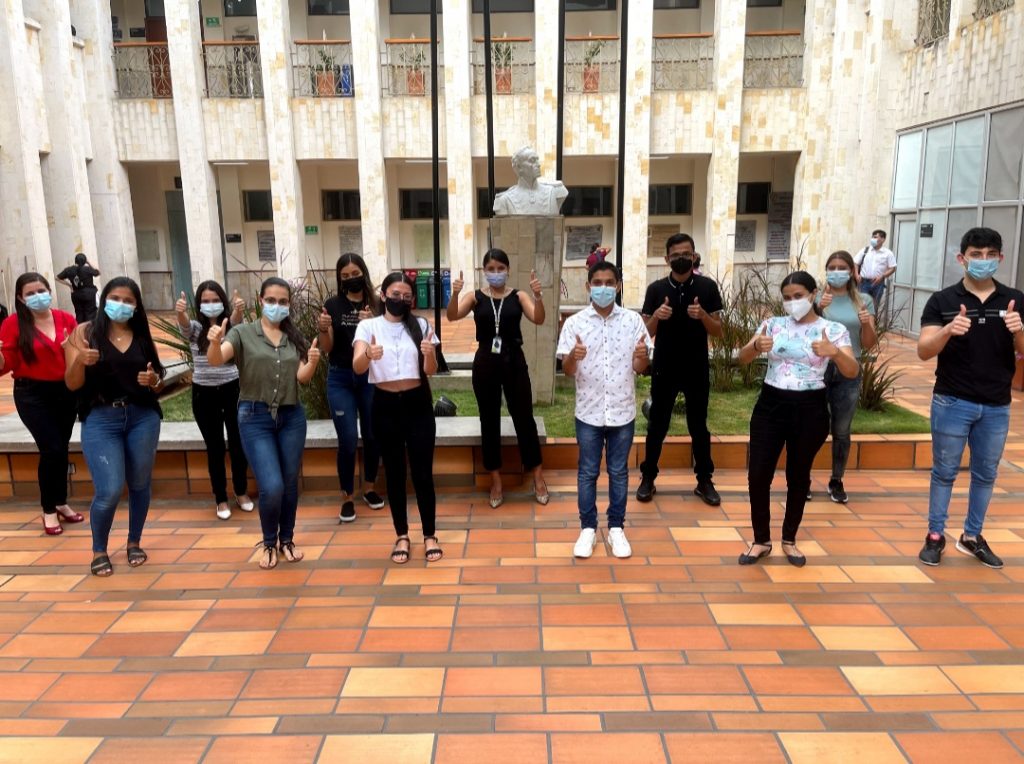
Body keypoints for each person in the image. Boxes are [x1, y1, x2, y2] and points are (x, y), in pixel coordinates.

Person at [917, 227, 1023, 569]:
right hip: (952, 400)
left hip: (996, 404)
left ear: (1000, 258)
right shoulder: (943, 301)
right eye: (976, 254)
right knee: (944, 471)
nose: (983, 260)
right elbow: (923, 350)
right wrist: (948, 330)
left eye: (990, 254)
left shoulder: (1014, 299)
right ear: (962, 258)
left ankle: (972, 536)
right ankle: (935, 535)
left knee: (986, 474)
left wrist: (1019, 330)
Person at [736, 271, 857, 567]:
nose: (793, 302)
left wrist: (834, 353)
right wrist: (755, 347)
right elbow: (742, 358)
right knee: (758, 474)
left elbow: (852, 370)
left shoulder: (832, 329)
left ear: (813, 294)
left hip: (810, 408)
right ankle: (761, 540)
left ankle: (789, 539)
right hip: (770, 405)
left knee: (798, 476)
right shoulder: (773, 324)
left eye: (799, 296)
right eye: (787, 298)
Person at [207, 277, 321, 570]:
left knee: (289, 483)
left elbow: (302, 378)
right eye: (271, 300)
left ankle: (287, 539)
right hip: (254, 417)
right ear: (260, 301)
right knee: (272, 485)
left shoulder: (294, 336)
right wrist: (215, 342)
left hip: (291, 417)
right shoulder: (242, 333)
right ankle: (269, 541)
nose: (276, 306)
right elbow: (217, 360)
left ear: (289, 305)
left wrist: (312, 362)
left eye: (283, 302)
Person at [64, 277, 164, 577]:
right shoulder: (85, 333)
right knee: (109, 489)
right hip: (101, 419)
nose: (121, 304)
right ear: (104, 298)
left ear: (136, 306)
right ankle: (99, 550)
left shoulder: (141, 335)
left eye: (128, 300)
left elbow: (158, 381)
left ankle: (134, 542)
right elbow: (72, 384)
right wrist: (80, 361)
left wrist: (153, 381)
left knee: (140, 484)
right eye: (115, 298)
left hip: (142, 417)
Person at [556, 261, 652, 560]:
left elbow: (640, 367)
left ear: (618, 286)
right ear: (588, 286)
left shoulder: (633, 321)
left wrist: (641, 357)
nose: (603, 288)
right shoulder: (575, 324)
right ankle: (587, 528)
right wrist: (573, 356)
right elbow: (568, 370)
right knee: (587, 472)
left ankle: (616, 528)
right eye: (597, 283)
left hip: (622, 411)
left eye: (609, 282)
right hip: (589, 412)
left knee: (619, 472)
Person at [446, 249, 548, 507]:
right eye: (491, 269)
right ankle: (496, 480)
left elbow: (538, 318)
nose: (496, 273)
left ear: (508, 270)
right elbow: (452, 315)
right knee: (488, 420)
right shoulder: (476, 297)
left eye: (500, 268)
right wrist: (455, 293)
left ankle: (537, 476)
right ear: (484, 271)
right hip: (486, 362)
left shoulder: (519, 296)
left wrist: (538, 296)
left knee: (524, 418)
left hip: (514, 360)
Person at [353, 272, 441, 565]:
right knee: (394, 472)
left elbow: (430, 371)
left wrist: (429, 354)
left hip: (418, 403)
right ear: (383, 295)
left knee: (422, 473)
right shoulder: (368, 326)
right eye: (395, 295)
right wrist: (368, 353)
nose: (400, 300)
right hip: (385, 405)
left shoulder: (421, 325)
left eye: (406, 296)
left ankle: (429, 535)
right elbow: (357, 367)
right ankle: (402, 535)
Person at [638, 233, 724, 506]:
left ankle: (704, 480)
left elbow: (719, 331)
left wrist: (703, 316)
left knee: (698, 425)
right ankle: (648, 477)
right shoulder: (656, 289)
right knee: (657, 424)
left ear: (694, 256)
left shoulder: (707, 287)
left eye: (686, 254)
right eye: (675, 255)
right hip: (664, 366)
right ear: (667, 259)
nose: (681, 259)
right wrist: (656, 317)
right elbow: (644, 333)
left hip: (696, 366)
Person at [0, 273, 82, 535]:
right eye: (30, 293)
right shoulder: (13, 324)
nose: (38, 296)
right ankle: (49, 509)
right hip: (32, 394)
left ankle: (60, 501)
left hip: (65, 391)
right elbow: (6, 364)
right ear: (21, 298)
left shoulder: (66, 319)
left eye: (41, 291)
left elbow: (79, 353)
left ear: (49, 291)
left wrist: (73, 350)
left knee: (61, 448)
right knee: (51, 449)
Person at [175, 281, 253, 521]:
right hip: (204, 394)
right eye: (205, 301)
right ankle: (221, 498)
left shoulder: (231, 326)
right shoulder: (196, 328)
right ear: (199, 304)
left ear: (223, 301)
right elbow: (185, 325)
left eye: (215, 300)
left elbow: (236, 321)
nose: (211, 305)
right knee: (215, 448)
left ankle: (241, 491)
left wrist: (238, 309)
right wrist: (181, 312)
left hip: (232, 390)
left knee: (238, 444)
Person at [318, 253, 384, 523]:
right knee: (347, 439)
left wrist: (372, 323)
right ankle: (347, 496)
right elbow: (327, 348)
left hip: (370, 376)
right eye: (344, 276)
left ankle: (369, 487)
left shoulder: (377, 304)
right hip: (340, 377)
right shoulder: (332, 305)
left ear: (363, 273)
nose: (350, 279)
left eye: (355, 274)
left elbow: (385, 343)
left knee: (372, 434)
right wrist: (323, 329)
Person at [817, 250, 877, 503]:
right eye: (832, 267)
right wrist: (818, 309)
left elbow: (869, 343)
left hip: (848, 369)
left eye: (842, 267)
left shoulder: (863, 301)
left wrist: (866, 323)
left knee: (841, 429)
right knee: (811, 426)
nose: (837, 272)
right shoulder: (817, 298)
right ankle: (801, 478)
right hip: (817, 369)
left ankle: (837, 479)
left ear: (852, 271)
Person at [854, 229, 896, 309]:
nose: (873, 239)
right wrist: (856, 275)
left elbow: (893, 268)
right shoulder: (865, 250)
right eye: (872, 237)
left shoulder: (888, 253)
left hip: (878, 283)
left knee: (874, 307)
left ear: (883, 239)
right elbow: (856, 263)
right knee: (862, 306)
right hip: (864, 283)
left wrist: (882, 276)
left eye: (876, 237)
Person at [57, 253, 101, 324]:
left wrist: (69, 285)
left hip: (76, 294)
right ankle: (90, 330)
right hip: (89, 294)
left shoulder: (68, 270)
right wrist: (89, 262)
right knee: (90, 314)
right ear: (85, 261)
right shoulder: (87, 269)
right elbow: (98, 272)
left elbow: (57, 278)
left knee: (79, 314)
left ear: (75, 261)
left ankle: (80, 329)